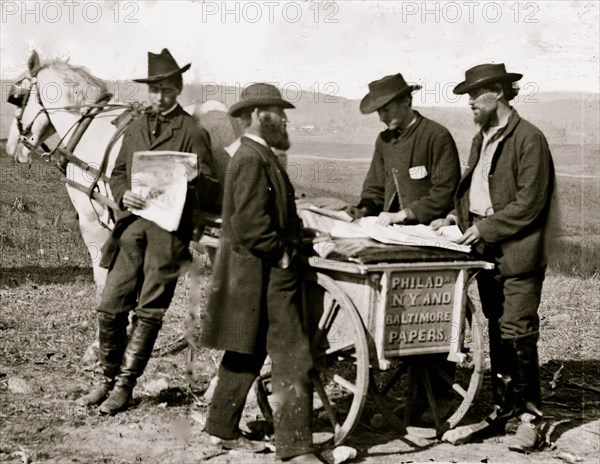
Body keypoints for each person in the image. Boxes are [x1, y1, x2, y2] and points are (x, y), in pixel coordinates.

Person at [78, 48, 216, 415]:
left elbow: (212, 184)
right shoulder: (137, 125)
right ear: (148, 91)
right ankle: (105, 379)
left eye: (167, 88)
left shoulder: (192, 130)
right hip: (132, 229)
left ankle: (125, 386)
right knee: (109, 308)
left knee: (149, 311)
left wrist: (192, 178)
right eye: (154, 88)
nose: (160, 95)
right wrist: (124, 195)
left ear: (177, 88)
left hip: (168, 234)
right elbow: (120, 172)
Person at [432, 63, 557, 451]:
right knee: (497, 329)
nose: (470, 102)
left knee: (518, 332)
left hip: (519, 254)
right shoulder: (481, 139)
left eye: (475, 94)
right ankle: (503, 410)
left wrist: (485, 228)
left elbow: (530, 202)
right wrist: (457, 216)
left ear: (499, 93)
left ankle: (531, 419)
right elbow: (477, 192)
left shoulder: (529, 139)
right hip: (488, 253)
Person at [200, 83, 320, 463]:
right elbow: (251, 224)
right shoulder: (253, 159)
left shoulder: (255, 155)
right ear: (255, 116)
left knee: (245, 349)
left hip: (248, 272)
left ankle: (221, 428)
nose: (284, 119)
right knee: (292, 356)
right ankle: (297, 449)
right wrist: (283, 252)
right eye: (276, 112)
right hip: (267, 273)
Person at [346, 72, 461, 226]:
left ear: (406, 101)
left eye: (386, 110)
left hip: (430, 227)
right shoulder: (384, 140)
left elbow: (445, 191)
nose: (382, 118)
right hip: (390, 227)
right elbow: (375, 186)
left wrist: (406, 214)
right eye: (379, 112)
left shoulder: (437, 136)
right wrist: (364, 209)